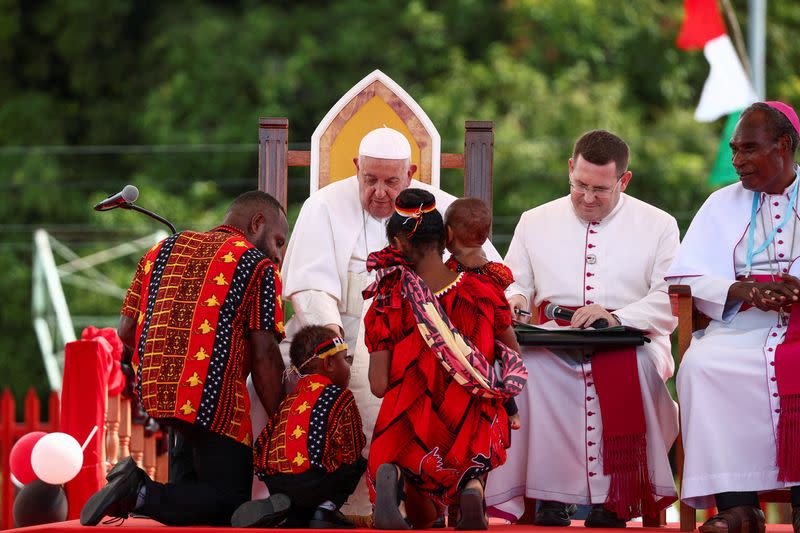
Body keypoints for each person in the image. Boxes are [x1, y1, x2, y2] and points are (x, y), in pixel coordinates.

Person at [268, 126, 500, 514]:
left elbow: (486, 272)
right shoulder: (322, 205)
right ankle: (304, 498)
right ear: (356, 168)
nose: (379, 192)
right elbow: (309, 288)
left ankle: (390, 494)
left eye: (391, 181)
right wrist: (333, 344)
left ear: (410, 175)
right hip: (338, 332)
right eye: (369, 179)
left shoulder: (440, 206)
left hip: (422, 337)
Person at [485, 129, 680, 527]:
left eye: (601, 190)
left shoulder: (659, 224)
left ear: (624, 181)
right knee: (527, 374)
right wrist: (517, 300)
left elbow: (669, 298)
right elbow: (514, 283)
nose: (588, 198)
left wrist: (618, 318)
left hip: (633, 338)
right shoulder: (533, 220)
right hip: (553, 339)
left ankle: (617, 500)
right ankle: (548, 497)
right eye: (580, 185)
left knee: (639, 368)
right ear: (569, 169)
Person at [80, 191, 290, 527]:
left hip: (155, 391)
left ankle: (139, 491)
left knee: (192, 497)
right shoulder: (259, 267)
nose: (279, 255)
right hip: (212, 397)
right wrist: (286, 418)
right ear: (257, 223)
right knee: (230, 501)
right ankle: (138, 492)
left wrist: (167, 363)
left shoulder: (159, 250)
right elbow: (265, 356)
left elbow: (125, 330)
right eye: (279, 242)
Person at [666, 101, 800, 533]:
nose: (736, 161)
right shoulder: (722, 203)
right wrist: (741, 290)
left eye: (748, 149)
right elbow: (686, 274)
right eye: (734, 150)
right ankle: (738, 507)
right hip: (742, 322)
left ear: (784, 145)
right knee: (702, 366)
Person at [363, 188, 526, 530]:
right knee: (488, 409)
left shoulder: (388, 299)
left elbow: (379, 386)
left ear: (396, 243)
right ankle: (472, 485)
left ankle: (399, 486)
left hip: (410, 433)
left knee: (404, 447)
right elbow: (513, 359)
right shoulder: (484, 293)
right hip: (466, 431)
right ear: (447, 236)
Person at [233, 325, 366, 529]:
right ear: (329, 363)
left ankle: (287, 511)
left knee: (305, 475)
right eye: (345, 359)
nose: (348, 366)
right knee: (357, 459)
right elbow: (352, 447)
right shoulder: (341, 397)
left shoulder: (289, 400)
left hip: (276, 482)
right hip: (314, 483)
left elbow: (263, 441)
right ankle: (325, 510)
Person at [444, 197, 520, 430]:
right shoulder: (493, 275)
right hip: (487, 344)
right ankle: (512, 413)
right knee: (495, 374)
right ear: (486, 237)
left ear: (447, 234)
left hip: (457, 347)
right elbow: (502, 318)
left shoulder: (448, 272)